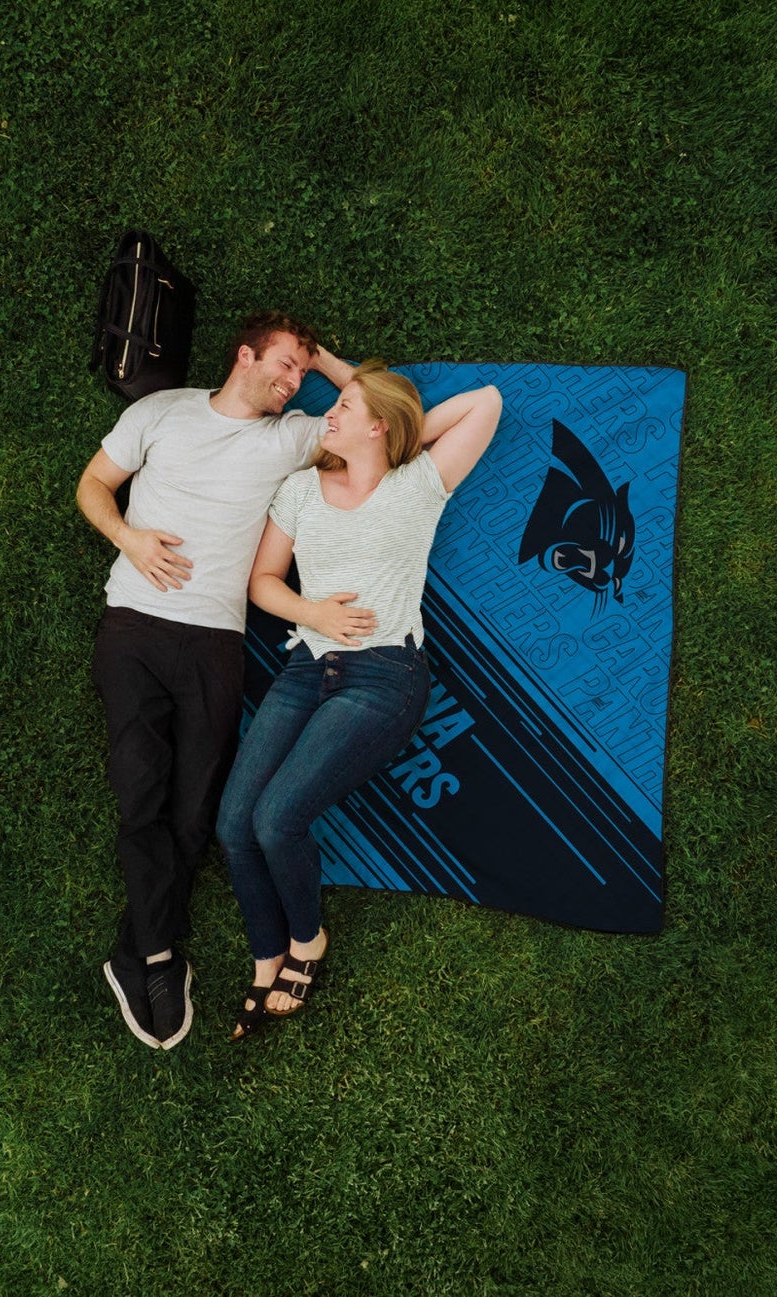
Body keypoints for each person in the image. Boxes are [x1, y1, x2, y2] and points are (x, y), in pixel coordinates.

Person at [76, 311, 356, 1050]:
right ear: (244, 356)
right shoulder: (160, 412)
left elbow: (383, 412)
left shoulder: (291, 437)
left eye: (303, 372)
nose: (294, 382)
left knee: (195, 810)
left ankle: (136, 951)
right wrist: (129, 536)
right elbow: (94, 484)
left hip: (215, 643)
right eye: (286, 364)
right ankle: (157, 958)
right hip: (134, 626)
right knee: (141, 793)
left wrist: (326, 360)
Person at [214, 361, 503, 1041]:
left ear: (379, 425)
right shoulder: (299, 490)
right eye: (334, 403)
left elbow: (486, 402)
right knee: (233, 825)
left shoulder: (418, 483)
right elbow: (263, 580)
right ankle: (266, 954)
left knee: (277, 818)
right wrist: (312, 611)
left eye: (344, 406)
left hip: (384, 678)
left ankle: (306, 941)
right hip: (306, 670)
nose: (329, 412)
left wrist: (389, 426)